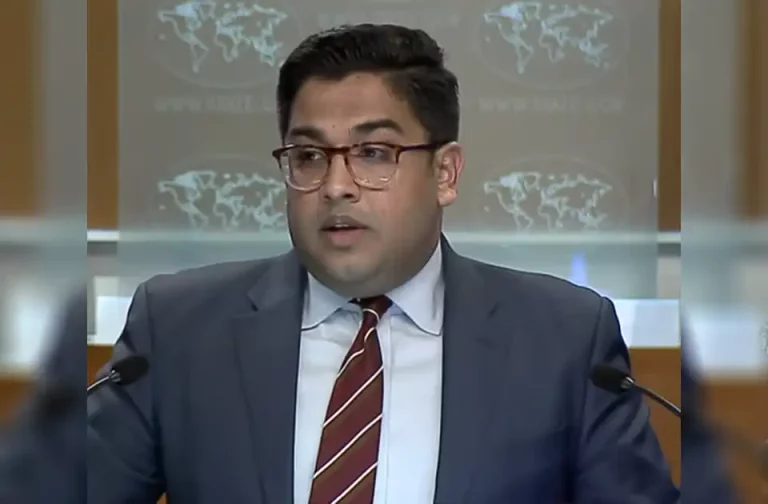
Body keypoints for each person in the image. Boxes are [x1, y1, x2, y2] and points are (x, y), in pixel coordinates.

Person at [87, 24, 679, 503]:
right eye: (309, 155)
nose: (336, 186)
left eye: (373, 153)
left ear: (445, 172)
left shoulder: (564, 340)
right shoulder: (179, 330)